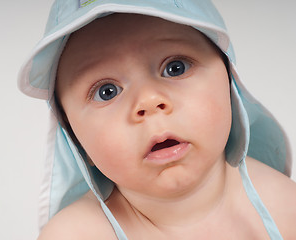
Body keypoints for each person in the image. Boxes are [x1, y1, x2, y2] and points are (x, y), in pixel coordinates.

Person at [18, 0, 296, 239]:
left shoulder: (282, 205)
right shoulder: (77, 234)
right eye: (107, 92)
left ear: (230, 87)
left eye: (175, 68)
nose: (149, 101)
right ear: (75, 139)